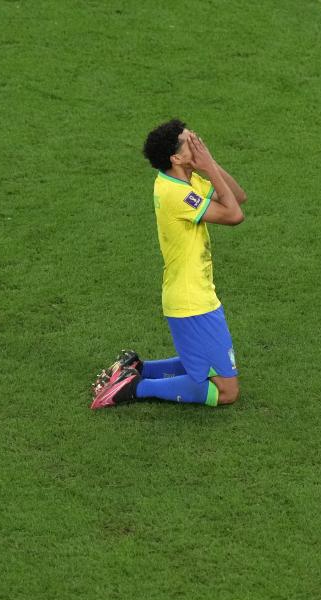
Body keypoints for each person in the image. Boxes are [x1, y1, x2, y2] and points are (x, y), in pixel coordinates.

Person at [90, 119, 247, 409]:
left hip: (193, 294)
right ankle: (135, 387)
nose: (198, 142)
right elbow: (235, 216)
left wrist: (207, 164)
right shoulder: (176, 193)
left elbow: (238, 197)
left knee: (207, 370)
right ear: (176, 157)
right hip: (193, 301)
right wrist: (209, 166)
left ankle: (136, 368)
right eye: (191, 142)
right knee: (226, 391)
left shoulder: (184, 179)